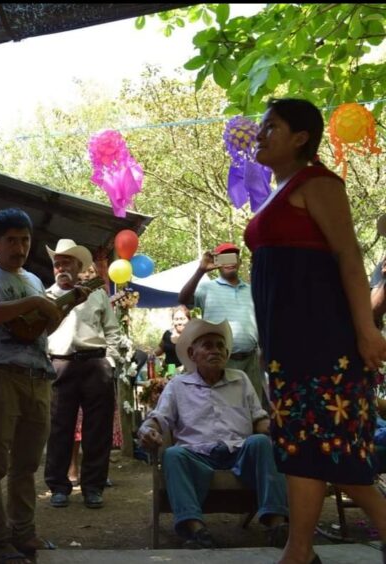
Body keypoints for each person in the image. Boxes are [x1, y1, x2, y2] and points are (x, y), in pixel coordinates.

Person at [245, 97, 386, 564]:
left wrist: (366, 331)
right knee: (300, 448)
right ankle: (299, 550)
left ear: (301, 137)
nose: (261, 135)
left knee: (337, 451)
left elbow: (349, 258)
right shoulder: (276, 190)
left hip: (326, 341)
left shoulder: (319, 184)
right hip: (287, 347)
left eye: (272, 127)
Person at [0, 208, 64, 564]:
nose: (19, 247)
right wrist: (37, 303)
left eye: (24, 240)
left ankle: (24, 534)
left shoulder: (35, 281)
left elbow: (40, 330)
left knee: (27, 464)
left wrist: (58, 309)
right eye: (11, 240)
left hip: (38, 377)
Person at [138, 319, 289, 549]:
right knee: (173, 455)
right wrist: (147, 431)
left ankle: (277, 526)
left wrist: (274, 428)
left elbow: (258, 418)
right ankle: (197, 531)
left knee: (262, 442)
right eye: (208, 345)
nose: (215, 350)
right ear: (192, 353)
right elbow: (158, 418)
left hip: (239, 452)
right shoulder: (178, 385)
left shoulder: (241, 379)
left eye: (220, 346)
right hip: (196, 455)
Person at [44, 239, 122, 510]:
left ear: (79, 266)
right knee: (59, 428)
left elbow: (112, 329)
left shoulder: (97, 294)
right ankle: (58, 486)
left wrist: (110, 360)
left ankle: (93, 487)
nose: (61, 267)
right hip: (60, 365)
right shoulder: (45, 296)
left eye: (66, 262)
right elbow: (39, 333)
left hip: (95, 364)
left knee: (97, 430)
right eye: (57, 263)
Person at [178, 243, 265, 407]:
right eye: (224, 258)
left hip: (251, 360)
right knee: (223, 409)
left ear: (239, 262)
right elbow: (183, 299)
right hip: (221, 361)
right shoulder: (206, 288)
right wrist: (201, 270)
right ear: (217, 263)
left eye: (233, 257)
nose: (229, 262)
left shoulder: (252, 290)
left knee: (253, 409)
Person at [154, 305, 191, 370]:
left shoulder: (193, 335)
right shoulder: (167, 334)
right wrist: (150, 355)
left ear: (189, 319)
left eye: (182, 319)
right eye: (176, 319)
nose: (179, 322)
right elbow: (160, 349)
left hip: (187, 372)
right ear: (173, 320)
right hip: (170, 370)